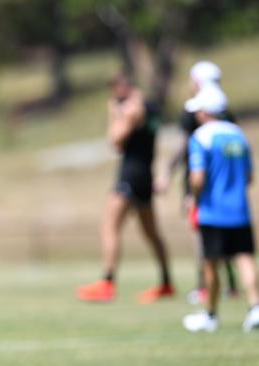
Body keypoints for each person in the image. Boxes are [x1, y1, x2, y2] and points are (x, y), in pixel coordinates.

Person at [76, 75, 174, 304]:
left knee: (109, 225)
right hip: (145, 174)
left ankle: (107, 282)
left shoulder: (132, 109)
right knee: (151, 232)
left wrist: (114, 113)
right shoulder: (151, 107)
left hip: (130, 174)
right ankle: (166, 282)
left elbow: (115, 140)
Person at [155, 61, 238, 304]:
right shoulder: (226, 110)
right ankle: (230, 285)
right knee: (227, 233)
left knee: (203, 236)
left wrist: (167, 173)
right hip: (228, 183)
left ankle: (204, 286)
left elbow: (182, 147)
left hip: (200, 182)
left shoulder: (196, 112)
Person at [182, 85, 259, 332]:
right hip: (239, 210)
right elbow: (249, 176)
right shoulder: (238, 134)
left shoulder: (201, 137)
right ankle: (255, 307)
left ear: (206, 112)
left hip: (213, 210)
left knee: (210, 263)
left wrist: (193, 198)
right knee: (245, 258)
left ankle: (211, 315)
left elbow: (197, 178)